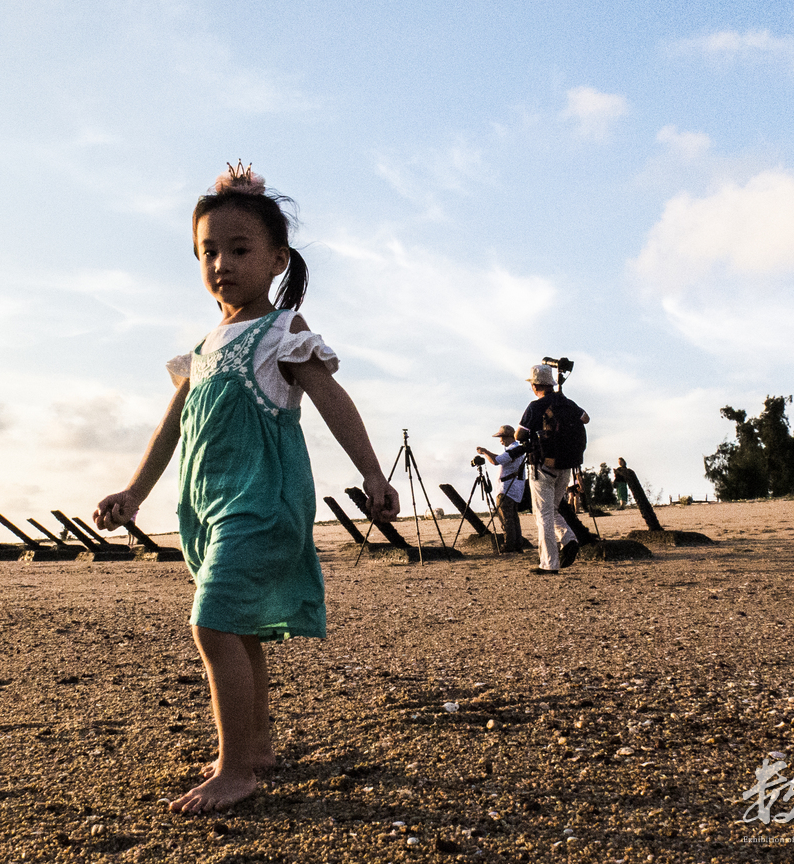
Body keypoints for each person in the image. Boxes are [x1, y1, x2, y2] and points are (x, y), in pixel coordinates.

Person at [93, 163, 400, 815]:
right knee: (240, 628)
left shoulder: (281, 332)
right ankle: (255, 746)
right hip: (205, 508)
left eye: (239, 249)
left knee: (212, 623)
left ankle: (235, 770)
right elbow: (171, 427)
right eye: (208, 251)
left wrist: (372, 470)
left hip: (262, 503)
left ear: (276, 259)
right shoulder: (201, 349)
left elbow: (332, 399)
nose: (221, 263)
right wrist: (133, 492)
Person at [517, 365, 589, 575]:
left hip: (542, 466)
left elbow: (519, 436)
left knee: (543, 515)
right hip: (565, 464)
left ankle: (549, 563)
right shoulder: (567, 403)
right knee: (553, 509)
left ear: (534, 385)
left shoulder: (535, 406)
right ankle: (568, 539)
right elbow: (585, 418)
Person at [475, 424, 527, 553]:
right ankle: (517, 544)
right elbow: (501, 458)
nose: (500, 441)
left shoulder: (513, 449)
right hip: (514, 488)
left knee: (506, 518)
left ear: (508, 437)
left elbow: (496, 461)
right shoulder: (515, 450)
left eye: (501, 437)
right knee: (513, 518)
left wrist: (484, 452)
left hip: (507, 489)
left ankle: (509, 545)